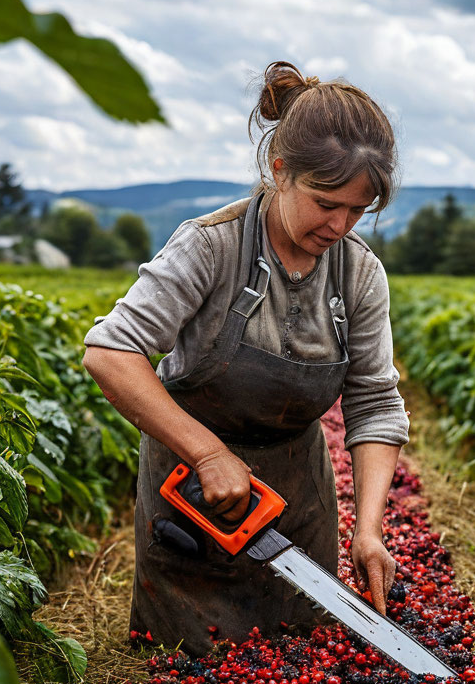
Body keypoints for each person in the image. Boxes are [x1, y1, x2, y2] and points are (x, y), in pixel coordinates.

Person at [81, 60, 409, 654]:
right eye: (326, 202)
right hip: (192, 496)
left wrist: (368, 531)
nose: (340, 224)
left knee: (299, 662)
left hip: (295, 497)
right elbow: (110, 351)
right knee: (185, 673)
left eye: (357, 210)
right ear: (280, 171)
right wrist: (207, 453)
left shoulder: (358, 272)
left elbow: (374, 401)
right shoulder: (211, 246)